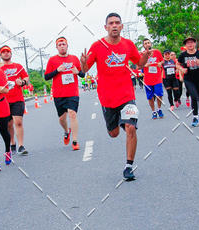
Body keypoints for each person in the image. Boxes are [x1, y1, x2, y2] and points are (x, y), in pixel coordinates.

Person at [81, 12, 150, 181]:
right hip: (107, 98)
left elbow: (139, 64)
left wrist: (145, 57)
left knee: (131, 127)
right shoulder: (97, 46)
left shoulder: (128, 44)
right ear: (106, 27)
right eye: (111, 23)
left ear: (121, 26)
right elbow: (84, 70)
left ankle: (128, 167)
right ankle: (119, 121)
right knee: (113, 133)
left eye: (117, 23)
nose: (114, 25)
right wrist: (83, 63)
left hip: (127, 95)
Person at [44, 37, 84, 150]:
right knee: (62, 119)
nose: (62, 46)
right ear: (57, 47)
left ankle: (75, 141)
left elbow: (82, 74)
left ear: (67, 46)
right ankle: (66, 131)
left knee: (72, 114)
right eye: (60, 45)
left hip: (72, 92)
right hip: (59, 94)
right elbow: (46, 77)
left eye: (64, 44)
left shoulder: (74, 58)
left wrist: (78, 72)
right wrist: (57, 70)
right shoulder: (52, 60)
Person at [0, 45, 30, 155]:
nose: (6, 53)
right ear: (0, 55)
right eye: (3, 52)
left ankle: (21, 146)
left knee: (18, 122)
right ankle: (12, 143)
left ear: (11, 53)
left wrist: (22, 82)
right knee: (8, 124)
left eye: (8, 51)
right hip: (4, 100)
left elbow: (26, 77)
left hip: (17, 99)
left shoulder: (18, 66)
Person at [177, 38, 199, 126]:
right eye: (188, 43)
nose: (190, 44)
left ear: (195, 44)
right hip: (189, 80)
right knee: (194, 96)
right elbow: (177, 64)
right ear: (185, 45)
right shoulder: (183, 55)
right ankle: (195, 117)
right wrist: (182, 69)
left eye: (191, 42)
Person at [142, 38, 165, 119]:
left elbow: (162, 61)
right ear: (143, 46)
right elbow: (139, 65)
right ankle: (153, 111)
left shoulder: (157, 52)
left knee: (159, 94)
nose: (147, 44)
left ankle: (159, 109)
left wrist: (160, 63)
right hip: (148, 80)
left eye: (148, 43)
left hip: (157, 78)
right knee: (150, 97)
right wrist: (145, 65)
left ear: (151, 44)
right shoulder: (142, 54)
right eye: (145, 43)